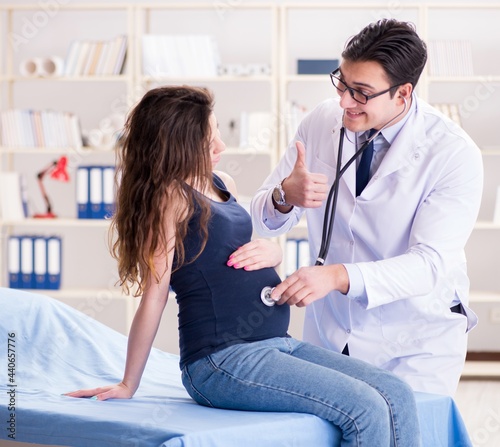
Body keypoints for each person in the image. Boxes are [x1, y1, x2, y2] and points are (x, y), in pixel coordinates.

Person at [66, 85, 421, 446]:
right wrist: (129, 383)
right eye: (208, 141)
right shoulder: (168, 199)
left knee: (396, 394)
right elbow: (154, 296)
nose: (220, 146)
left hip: (277, 344)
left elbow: (235, 253)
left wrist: (274, 253)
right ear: (178, 145)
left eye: (218, 132)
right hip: (221, 360)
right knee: (365, 409)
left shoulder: (223, 183)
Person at [251, 18, 483, 397]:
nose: (344, 101)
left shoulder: (454, 154)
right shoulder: (321, 122)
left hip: (414, 341)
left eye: (360, 92)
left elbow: (428, 264)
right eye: (341, 82)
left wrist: (337, 276)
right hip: (331, 330)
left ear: (403, 94)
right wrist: (283, 196)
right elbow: (263, 219)